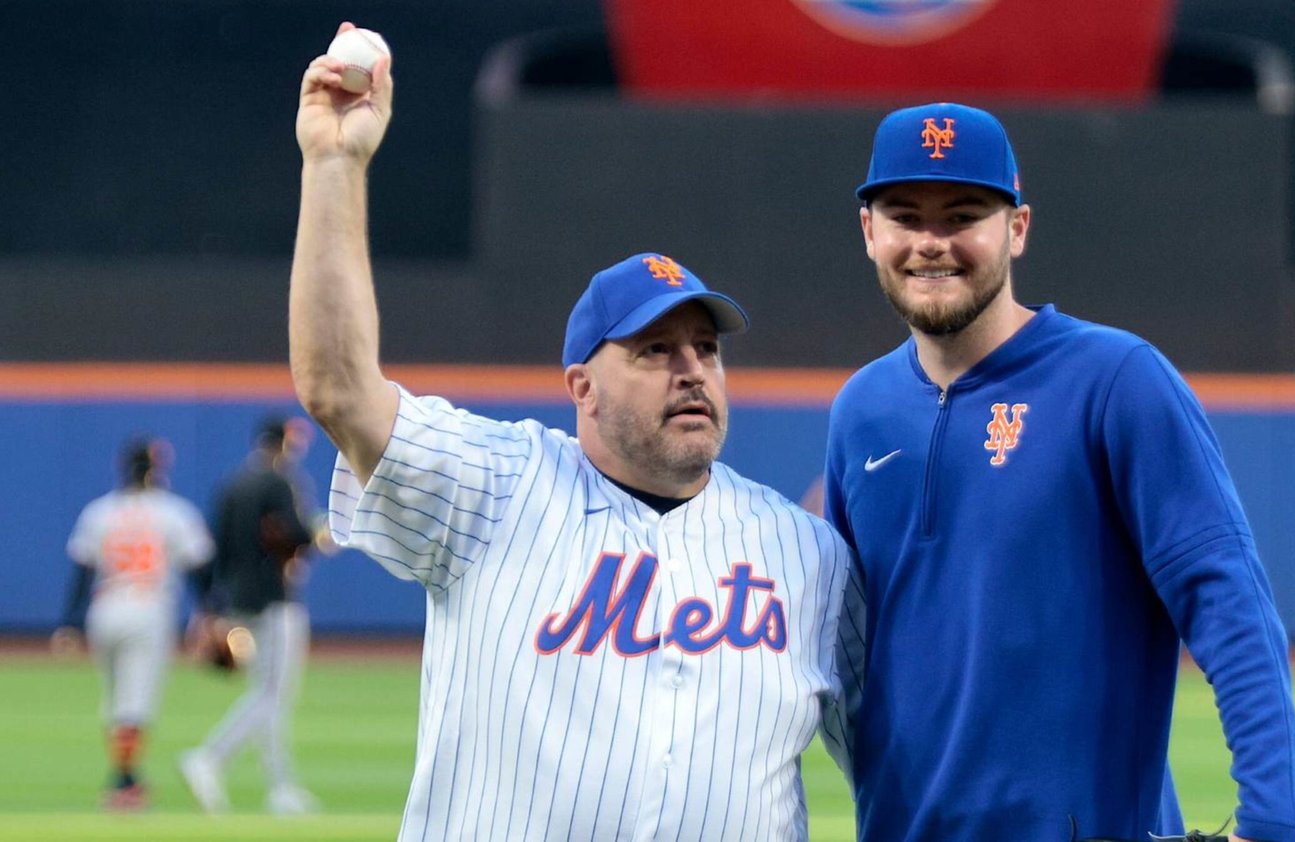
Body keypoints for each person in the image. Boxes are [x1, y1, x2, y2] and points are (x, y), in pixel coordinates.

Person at [284, 23, 852, 840]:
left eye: (705, 348)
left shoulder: (807, 555)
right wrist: (335, 165)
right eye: (655, 349)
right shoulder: (495, 489)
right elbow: (338, 388)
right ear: (581, 386)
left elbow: (901, 764)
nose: (691, 369)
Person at [823, 103, 1295, 842]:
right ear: (868, 233)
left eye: (962, 215)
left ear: (1016, 228)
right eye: (905, 216)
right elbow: (850, 657)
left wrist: (1269, 823)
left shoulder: (1114, 380)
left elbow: (1227, 597)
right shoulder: (862, 410)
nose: (932, 243)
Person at [55, 437, 214, 811]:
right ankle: (124, 783)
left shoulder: (100, 511)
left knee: (114, 698)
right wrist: (209, 612)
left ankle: (126, 776)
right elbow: (200, 568)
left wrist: (70, 624)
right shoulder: (173, 511)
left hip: (105, 608)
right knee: (135, 701)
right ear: (157, 471)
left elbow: (82, 570)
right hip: (148, 608)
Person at [179, 417, 318, 815]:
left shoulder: (232, 484)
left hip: (237, 599)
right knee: (273, 694)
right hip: (274, 597)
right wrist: (320, 533)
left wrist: (210, 607)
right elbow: (297, 533)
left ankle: (281, 787)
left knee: (268, 693)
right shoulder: (279, 481)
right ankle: (209, 758)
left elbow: (214, 549)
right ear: (284, 441)